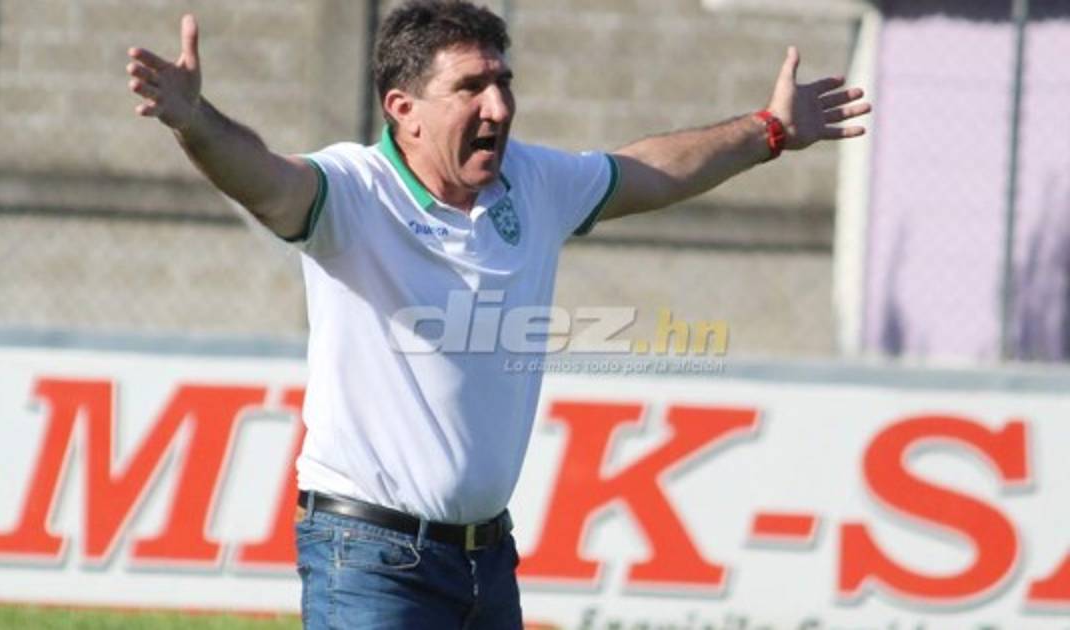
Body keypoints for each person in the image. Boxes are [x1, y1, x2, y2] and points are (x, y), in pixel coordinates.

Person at [126, 2, 870, 627]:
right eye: (471, 87)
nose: (499, 107)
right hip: (370, 559)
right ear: (404, 110)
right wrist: (195, 122)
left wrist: (769, 131)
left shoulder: (532, 182)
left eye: (504, 82)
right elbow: (266, 181)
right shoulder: (354, 191)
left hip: (487, 559)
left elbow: (650, 172)